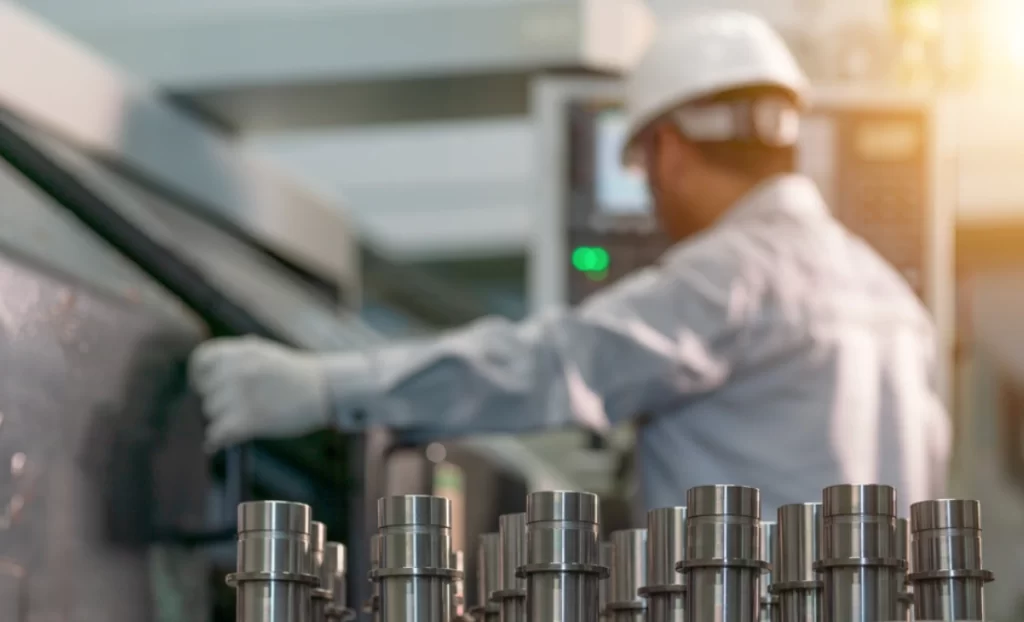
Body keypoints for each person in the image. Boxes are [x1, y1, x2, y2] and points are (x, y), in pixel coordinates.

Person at [189, 10, 950, 516]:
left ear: (669, 151)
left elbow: (554, 365)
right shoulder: (895, 305)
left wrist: (324, 386)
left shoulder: (737, 274)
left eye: (644, 168)